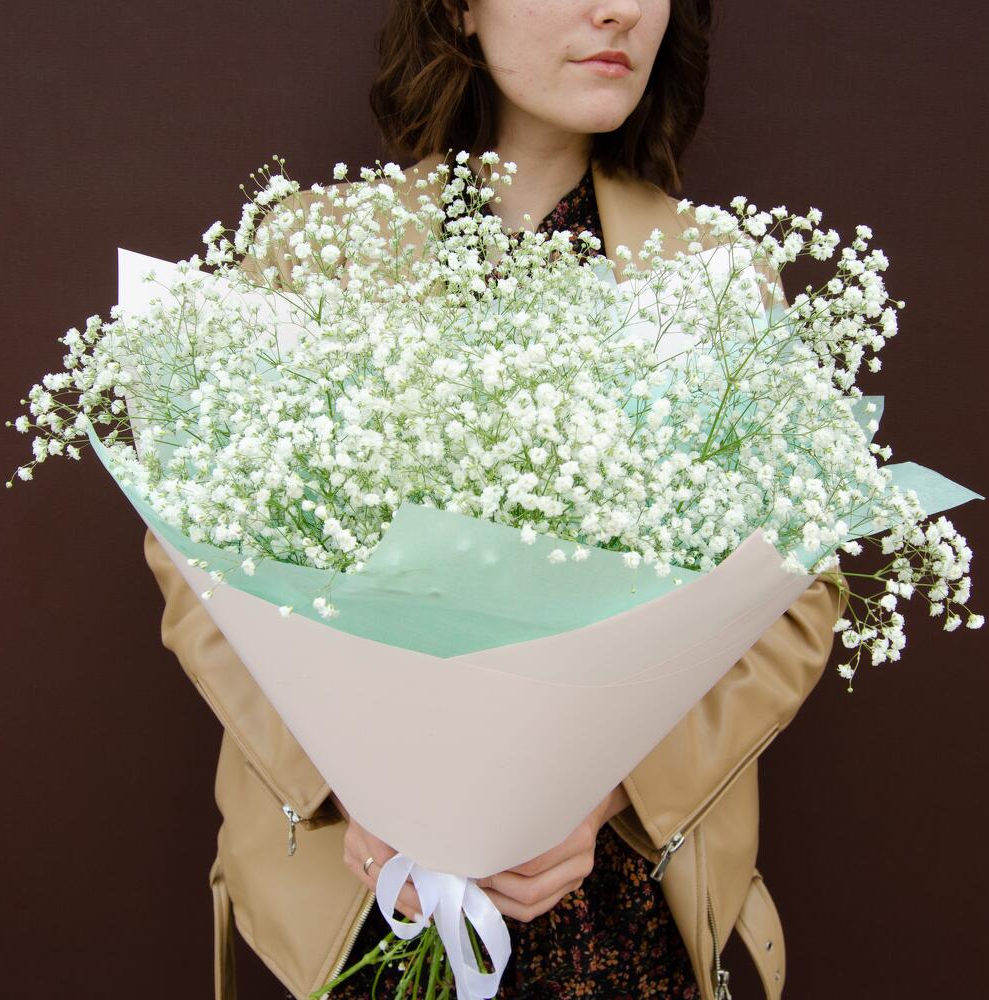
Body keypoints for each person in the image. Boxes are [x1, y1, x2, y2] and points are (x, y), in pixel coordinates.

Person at [142, 2, 847, 998]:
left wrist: (608, 788)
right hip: (367, 891)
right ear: (461, 9)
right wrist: (354, 786)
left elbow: (795, 589)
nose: (619, 9)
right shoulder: (316, 249)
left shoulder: (714, 273)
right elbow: (200, 556)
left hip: (619, 908)